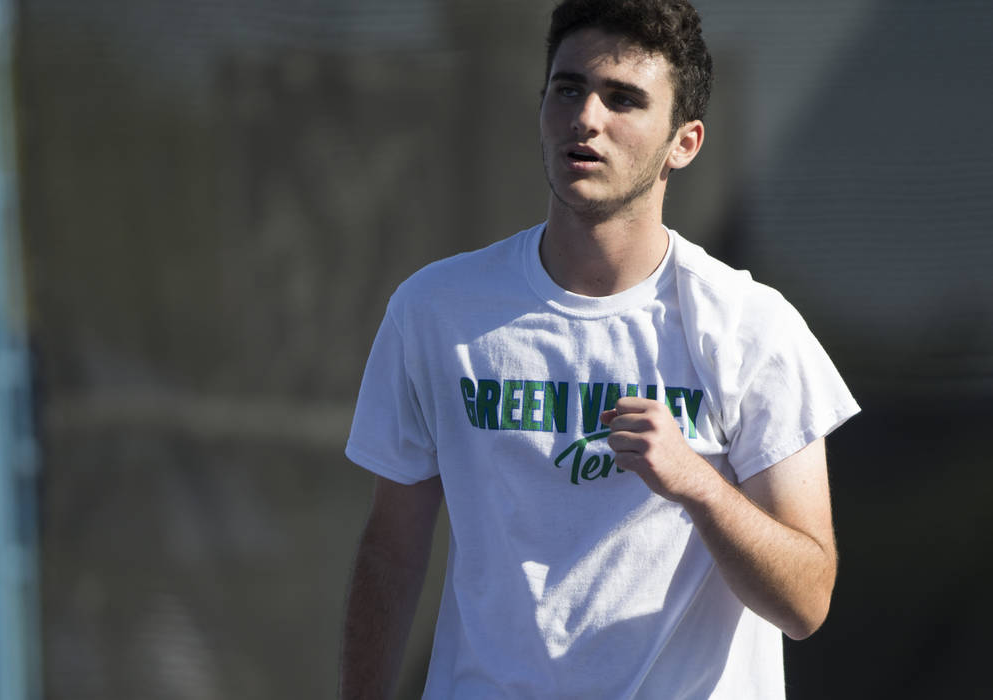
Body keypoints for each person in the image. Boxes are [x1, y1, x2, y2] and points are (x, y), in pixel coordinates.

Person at [340, 0, 860, 697]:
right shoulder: (434, 311)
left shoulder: (751, 328)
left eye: (623, 99)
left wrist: (698, 484)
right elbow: (391, 554)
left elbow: (806, 600)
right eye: (568, 88)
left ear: (686, 142)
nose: (586, 118)